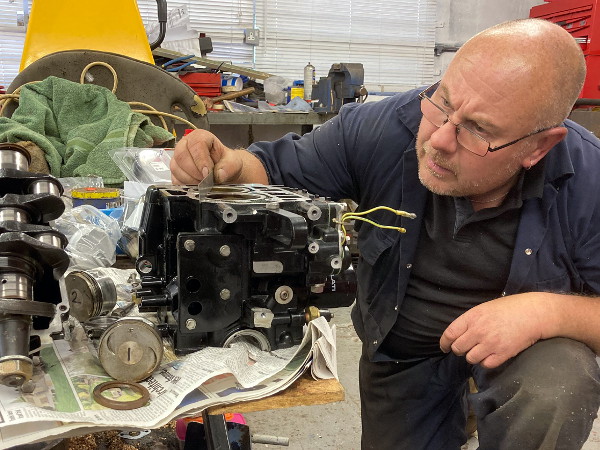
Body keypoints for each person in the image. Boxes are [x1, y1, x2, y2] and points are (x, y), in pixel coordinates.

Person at [171, 18, 600, 450]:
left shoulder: (590, 181)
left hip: (522, 352)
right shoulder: (385, 128)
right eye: (443, 103)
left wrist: (547, 313)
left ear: (538, 147)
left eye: (478, 130)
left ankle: (486, 402)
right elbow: (271, 171)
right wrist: (225, 163)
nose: (439, 139)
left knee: (556, 386)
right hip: (405, 349)